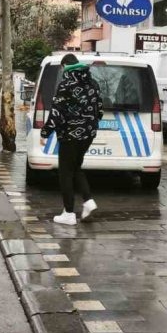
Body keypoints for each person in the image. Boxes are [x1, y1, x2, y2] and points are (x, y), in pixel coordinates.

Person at [40, 54, 103, 226]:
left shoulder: (66, 85)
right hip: (88, 134)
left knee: (65, 173)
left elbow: (56, 113)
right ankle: (88, 201)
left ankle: (68, 213)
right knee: (75, 167)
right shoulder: (93, 83)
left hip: (70, 135)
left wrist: (45, 133)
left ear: (65, 67)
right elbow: (100, 110)